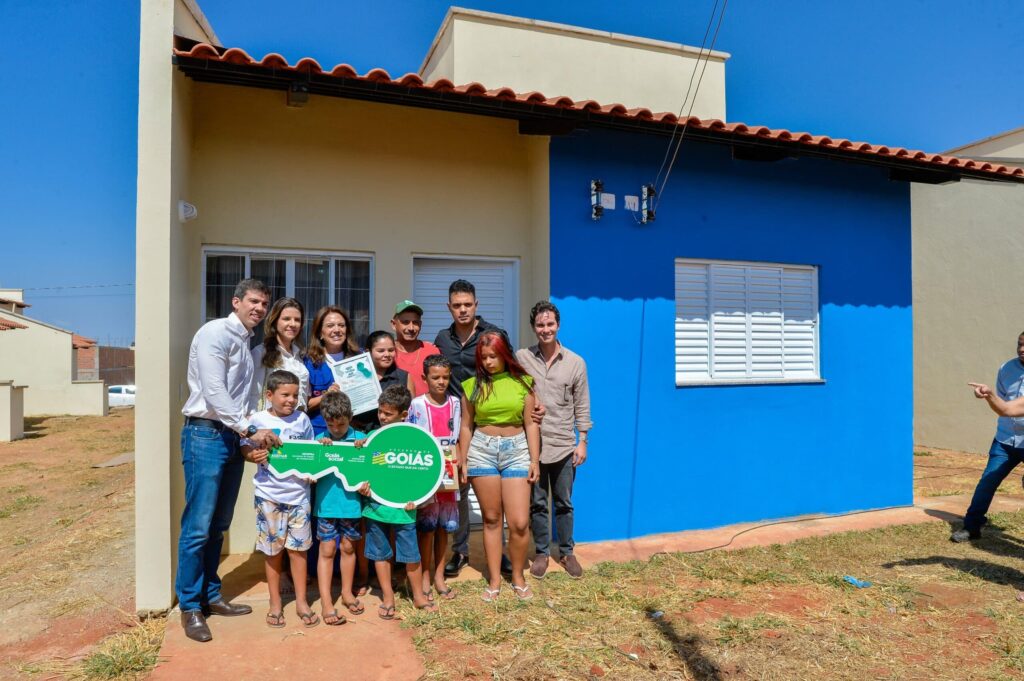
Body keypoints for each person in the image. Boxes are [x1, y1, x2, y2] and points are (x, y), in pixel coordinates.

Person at [178, 278, 281, 643]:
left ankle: (210, 595)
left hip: (229, 436)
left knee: (218, 524)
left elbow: (242, 400)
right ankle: (190, 607)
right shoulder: (215, 334)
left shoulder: (246, 341)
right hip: (205, 434)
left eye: (264, 304)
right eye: (253, 301)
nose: (259, 308)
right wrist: (247, 430)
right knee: (198, 526)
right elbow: (215, 392)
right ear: (236, 301)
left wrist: (247, 430)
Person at [435, 279, 525, 578]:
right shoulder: (442, 338)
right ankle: (459, 551)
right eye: (457, 305)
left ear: (476, 305)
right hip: (455, 419)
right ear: (449, 307)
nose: (462, 310)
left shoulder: (493, 334)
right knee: (458, 488)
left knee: (495, 497)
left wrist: (532, 402)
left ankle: (499, 554)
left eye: (467, 305)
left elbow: (512, 369)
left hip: (488, 419)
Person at [457, 331, 541, 602]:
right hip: (482, 451)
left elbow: (531, 424)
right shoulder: (471, 386)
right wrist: (463, 459)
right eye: (484, 357)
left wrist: (534, 460)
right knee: (492, 519)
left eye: (494, 356)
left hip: (517, 451)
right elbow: (467, 426)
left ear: (505, 355)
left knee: (518, 522)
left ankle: (517, 575)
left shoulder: (524, 383)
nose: (489, 362)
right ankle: (494, 580)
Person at [517, 301, 592, 579]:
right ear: (533, 327)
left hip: (562, 445)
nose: (545, 329)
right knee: (537, 503)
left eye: (550, 324)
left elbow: (582, 404)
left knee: (563, 502)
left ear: (557, 325)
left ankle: (566, 552)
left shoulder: (575, 362)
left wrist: (582, 440)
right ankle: (541, 553)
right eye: (540, 324)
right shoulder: (522, 358)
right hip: (532, 446)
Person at [241, 370, 318, 629]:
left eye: (295, 395)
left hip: (299, 498)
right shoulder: (257, 420)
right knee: (273, 553)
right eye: (285, 395)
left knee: (299, 552)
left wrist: (312, 473)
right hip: (268, 497)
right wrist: (252, 457)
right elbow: (244, 447)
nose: (290, 400)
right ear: (269, 395)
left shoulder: (303, 420)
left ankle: (301, 602)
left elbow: (311, 453)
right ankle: (275, 604)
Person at [357, 385, 437, 618]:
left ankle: (418, 596)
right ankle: (388, 597)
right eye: (380, 412)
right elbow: (362, 471)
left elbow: (422, 473)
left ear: (403, 414)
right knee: (380, 554)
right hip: (375, 509)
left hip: (404, 510)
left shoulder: (414, 438)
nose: (382, 417)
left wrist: (419, 499)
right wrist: (362, 485)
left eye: (388, 413)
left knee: (411, 555)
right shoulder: (371, 439)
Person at [407, 354, 461, 601]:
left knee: (444, 528)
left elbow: (460, 437)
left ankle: (440, 574)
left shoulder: (456, 403)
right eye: (435, 377)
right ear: (425, 378)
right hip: (427, 472)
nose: (441, 382)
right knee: (426, 528)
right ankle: (425, 575)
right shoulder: (417, 405)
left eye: (445, 377)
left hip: (449, 473)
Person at [313, 391, 368, 625]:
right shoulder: (319, 441)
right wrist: (320, 450)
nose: (336, 429)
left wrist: (364, 446)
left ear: (351, 417)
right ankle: (326, 602)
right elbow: (310, 472)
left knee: (348, 549)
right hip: (326, 507)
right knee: (326, 551)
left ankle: (346, 593)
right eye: (330, 424)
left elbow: (374, 467)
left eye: (342, 424)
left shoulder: (363, 440)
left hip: (352, 507)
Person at [962, 336, 1024, 541]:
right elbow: (1004, 406)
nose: (1022, 349)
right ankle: (972, 526)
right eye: (1019, 344)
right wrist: (988, 394)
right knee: (987, 481)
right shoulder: (1006, 368)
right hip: (1005, 439)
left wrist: (992, 397)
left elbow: (1008, 408)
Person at [304, 306, 360, 434]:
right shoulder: (308, 362)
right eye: (330, 326)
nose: (337, 330)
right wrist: (326, 396)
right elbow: (304, 405)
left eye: (341, 325)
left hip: (353, 433)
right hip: (320, 434)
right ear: (320, 333)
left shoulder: (359, 359)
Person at [249, 297, 309, 413]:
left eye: (297, 320)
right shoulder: (261, 353)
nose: (292, 324)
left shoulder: (300, 355)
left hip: (298, 424)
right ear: (275, 321)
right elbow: (253, 395)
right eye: (286, 319)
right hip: (270, 425)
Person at [354, 330, 415, 431]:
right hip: (359, 437)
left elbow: (411, 412)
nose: (387, 354)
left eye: (391, 350)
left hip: (392, 436)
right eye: (381, 351)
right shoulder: (355, 376)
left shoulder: (404, 377)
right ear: (368, 352)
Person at [392, 300, 440, 397]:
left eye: (415, 322)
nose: (411, 328)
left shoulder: (432, 351)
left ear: (420, 324)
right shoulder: (387, 353)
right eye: (405, 322)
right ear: (394, 324)